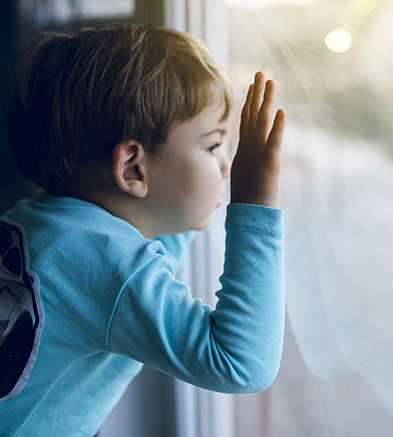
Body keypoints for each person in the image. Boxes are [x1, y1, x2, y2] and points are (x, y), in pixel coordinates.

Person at [0, 22, 286, 435]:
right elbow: (242, 365)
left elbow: (162, 223)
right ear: (132, 168)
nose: (226, 165)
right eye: (212, 146)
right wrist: (254, 201)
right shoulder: (113, 268)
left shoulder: (34, 223)